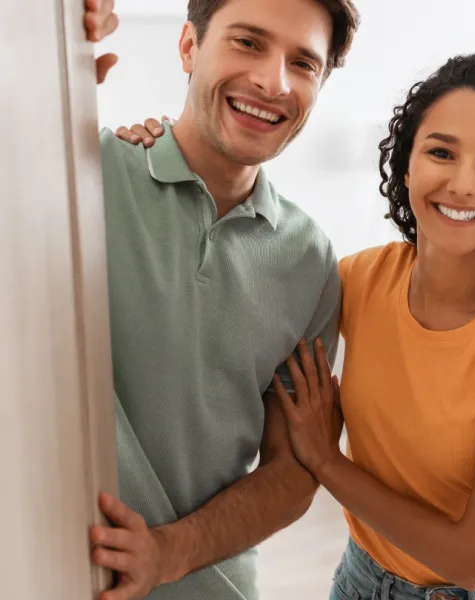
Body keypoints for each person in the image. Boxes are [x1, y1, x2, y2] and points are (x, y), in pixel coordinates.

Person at [125, 52, 475, 599]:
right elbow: (241, 298)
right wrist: (156, 152)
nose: (463, 183)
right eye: (441, 152)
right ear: (406, 166)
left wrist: (327, 462)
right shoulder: (361, 280)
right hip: (362, 580)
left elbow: (469, 558)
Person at [82, 1, 360, 599]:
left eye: (303, 63)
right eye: (247, 43)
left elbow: (292, 472)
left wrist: (168, 553)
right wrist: (52, 65)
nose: (273, 81)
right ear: (188, 47)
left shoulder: (310, 260)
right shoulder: (86, 175)